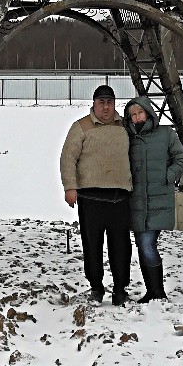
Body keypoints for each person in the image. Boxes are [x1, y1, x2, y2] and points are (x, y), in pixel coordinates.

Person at [60, 85, 132, 304]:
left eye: (109, 102)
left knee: (121, 246)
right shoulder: (81, 127)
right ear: (94, 104)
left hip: (120, 196)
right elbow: (68, 158)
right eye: (101, 103)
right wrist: (70, 186)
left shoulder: (125, 127)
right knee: (92, 245)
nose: (106, 107)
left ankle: (120, 289)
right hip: (91, 198)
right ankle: (96, 287)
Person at [123, 96, 183, 303]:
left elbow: (180, 159)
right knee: (143, 246)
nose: (136, 117)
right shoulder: (127, 138)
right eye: (132, 115)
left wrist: (166, 177)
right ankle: (153, 291)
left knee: (147, 244)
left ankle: (157, 292)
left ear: (148, 112)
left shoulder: (166, 134)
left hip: (158, 201)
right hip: (136, 203)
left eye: (139, 113)